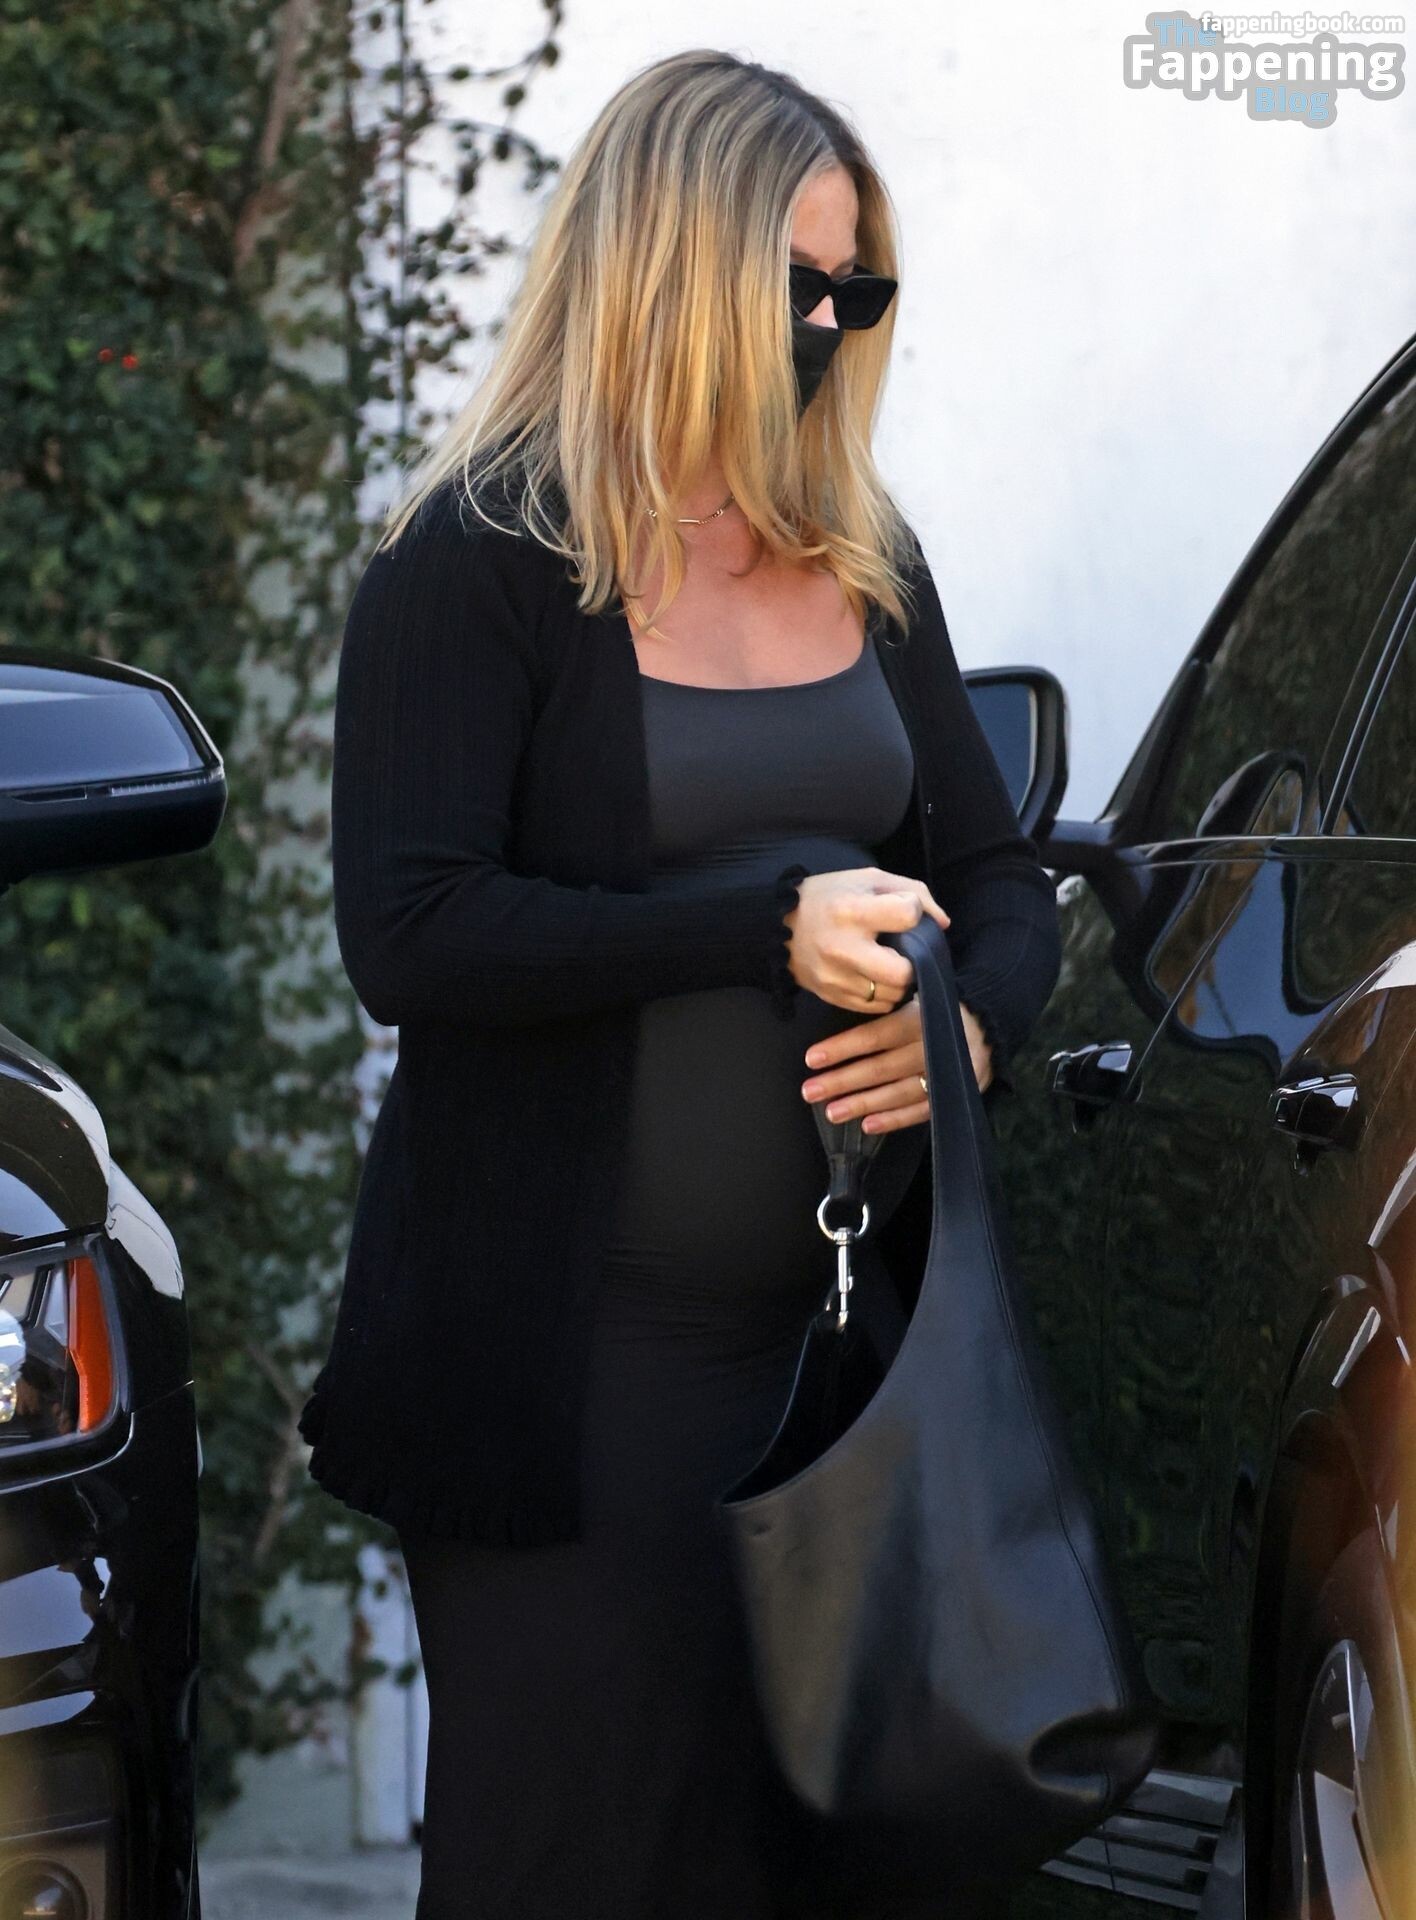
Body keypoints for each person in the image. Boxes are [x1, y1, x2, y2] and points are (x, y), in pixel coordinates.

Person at [297, 46, 1062, 1920]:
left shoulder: (864, 558)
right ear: (667, 260)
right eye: (799, 282)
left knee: (821, 1868)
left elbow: (999, 876)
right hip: (571, 1374)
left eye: (856, 291)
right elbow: (413, 933)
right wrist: (757, 922)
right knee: (577, 1862)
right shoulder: (476, 563)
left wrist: (969, 1023)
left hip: (846, 1356)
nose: (828, 326)